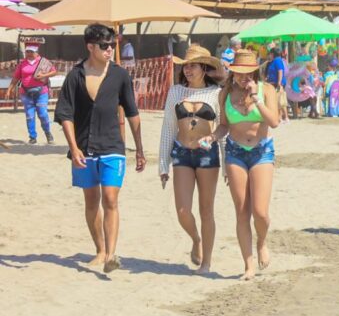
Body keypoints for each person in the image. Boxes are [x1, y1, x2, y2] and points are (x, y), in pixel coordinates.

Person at [54, 24, 146, 273]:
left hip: (113, 147)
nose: (109, 50)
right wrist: (73, 149)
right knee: (91, 200)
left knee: (111, 199)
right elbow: (65, 115)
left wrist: (139, 149)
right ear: (90, 47)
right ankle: (100, 249)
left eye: (112, 45)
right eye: (104, 46)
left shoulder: (120, 75)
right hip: (84, 149)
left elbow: (132, 113)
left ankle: (111, 255)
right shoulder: (75, 76)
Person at [213, 49, 280, 280]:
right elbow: (223, 125)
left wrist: (257, 99)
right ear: (232, 73)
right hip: (235, 152)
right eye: (239, 73)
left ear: (255, 71)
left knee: (260, 212)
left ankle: (262, 241)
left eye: (248, 73)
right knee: (242, 211)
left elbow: (274, 121)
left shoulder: (267, 90)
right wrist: (212, 136)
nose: (244, 78)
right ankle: (248, 265)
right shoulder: (225, 94)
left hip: (262, 151)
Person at [158, 45, 223, 274]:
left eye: (193, 65)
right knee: (183, 210)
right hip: (182, 151)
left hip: (207, 154)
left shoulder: (216, 93)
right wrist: (163, 163)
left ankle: (206, 262)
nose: (187, 70)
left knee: (207, 210)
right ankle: (196, 240)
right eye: (185, 66)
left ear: (204, 68)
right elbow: (168, 127)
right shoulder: (175, 91)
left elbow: (222, 127)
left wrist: (224, 165)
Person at [10, 44, 57, 144]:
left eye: (32, 51)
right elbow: (16, 78)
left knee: (43, 114)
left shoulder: (44, 62)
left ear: (37, 52)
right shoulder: (22, 64)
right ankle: (32, 137)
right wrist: (10, 88)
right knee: (30, 115)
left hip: (42, 92)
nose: (30, 54)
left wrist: (44, 75)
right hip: (26, 93)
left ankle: (48, 133)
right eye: (28, 51)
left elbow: (54, 72)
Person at [265, 48, 289, 124]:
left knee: (281, 100)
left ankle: (286, 117)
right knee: (277, 101)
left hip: (278, 84)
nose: (269, 55)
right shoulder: (273, 61)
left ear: (272, 54)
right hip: (273, 83)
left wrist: (279, 82)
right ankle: (280, 117)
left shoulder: (277, 60)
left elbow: (280, 71)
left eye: (270, 54)